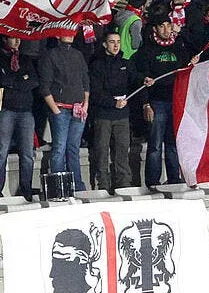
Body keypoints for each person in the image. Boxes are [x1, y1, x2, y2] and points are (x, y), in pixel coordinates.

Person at [133, 13, 197, 186]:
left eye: (169, 26)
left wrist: (182, 34)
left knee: (173, 143)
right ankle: (153, 182)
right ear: (154, 28)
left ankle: (174, 179)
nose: (166, 30)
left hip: (175, 102)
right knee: (155, 145)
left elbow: (192, 53)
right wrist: (146, 104)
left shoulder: (178, 47)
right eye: (162, 26)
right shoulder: (147, 50)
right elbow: (142, 79)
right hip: (157, 102)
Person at [0, 35, 38, 200]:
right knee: (1, 152)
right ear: (4, 39)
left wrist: (15, 83)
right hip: (5, 109)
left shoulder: (25, 59)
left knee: (28, 154)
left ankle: (26, 189)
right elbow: (1, 79)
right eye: (13, 39)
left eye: (19, 39)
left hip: (25, 110)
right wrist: (21, 80)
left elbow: (34, 81)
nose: (17, 42)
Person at [39, 30, 91, 191]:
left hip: (78, 109)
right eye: (65, 32)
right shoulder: (50, 55)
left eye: (71, 32)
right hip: (61, 109)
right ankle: (59, 188)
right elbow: (44, 86)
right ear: (57, 35)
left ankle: (78, 186)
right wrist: (56, 110)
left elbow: (85, 82)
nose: (69, 35)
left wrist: (85, 104)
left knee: (73, 148)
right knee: (59, 148)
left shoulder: (78, 55)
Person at [88, 30, 136, 193]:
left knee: (122, 148)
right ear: (104, 44)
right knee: (102, 150)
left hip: (122, 114)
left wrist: (145, 79)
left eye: (117, 42)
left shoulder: (125, 63)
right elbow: (95, 92)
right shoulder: (97, 65)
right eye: (111, 42)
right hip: (104, 114)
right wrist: (112, 103)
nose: (115, 45)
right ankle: (103, 183)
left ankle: (124, 183)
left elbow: (135, 79)